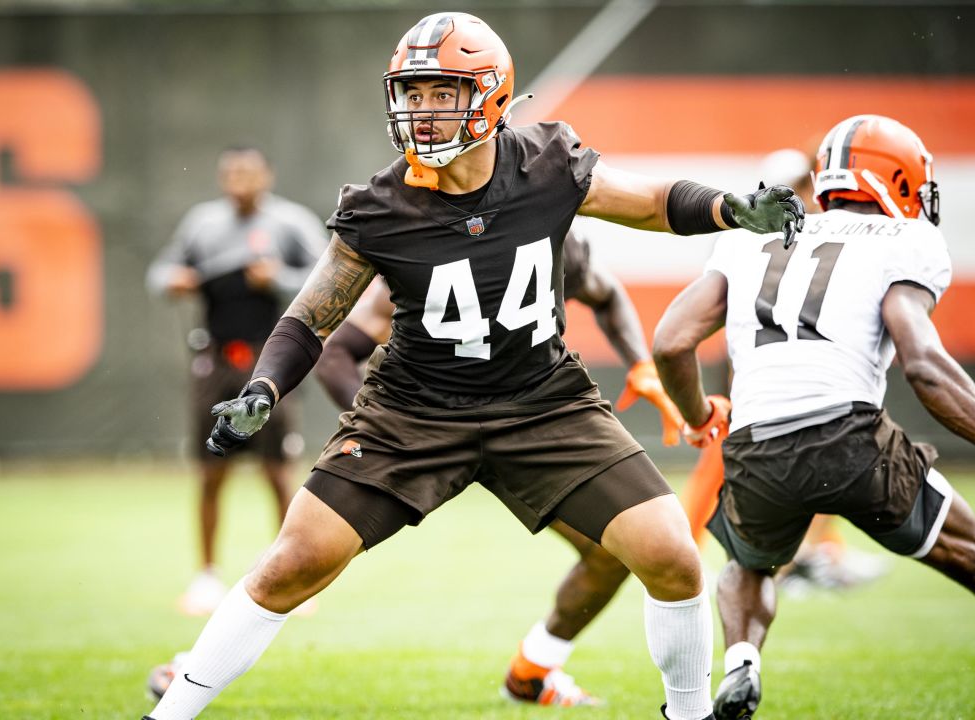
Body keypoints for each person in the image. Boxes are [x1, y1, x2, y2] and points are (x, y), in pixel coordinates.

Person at [144, 13, 802, 720]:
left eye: (441, 93)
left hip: (542, 402)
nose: (422, 112)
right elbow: (313, 316)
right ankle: (170, 714)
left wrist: (728, 209)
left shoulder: (548, 162)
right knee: (292, 564)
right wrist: (266, 388)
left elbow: (648, 202)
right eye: (412, 94)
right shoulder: (379, 203)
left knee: (672, 553)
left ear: (489, 94)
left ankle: (689, 713)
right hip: (413, 411)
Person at [651, 115, 975, 719]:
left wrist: (700, 418)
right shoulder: (906, 240)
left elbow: (670, 340)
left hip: (755, 441)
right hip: (850, 436)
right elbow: (924, 366)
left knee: (746, 564)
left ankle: (743, 657)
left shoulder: (749, 238)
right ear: (897, 179)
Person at [310, 224, 687, 707]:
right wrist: (381, 439)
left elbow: (606, 291)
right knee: (311, 555)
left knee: (614, 549)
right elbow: (338, 350)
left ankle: (533, 670)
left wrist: (641, 364)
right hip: (430, 428)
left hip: (520, 428)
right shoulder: (439, 251)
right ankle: (196, 665)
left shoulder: (557, 239)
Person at [682, 148, 888, 596]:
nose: (806, 197)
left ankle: (820, 553)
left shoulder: (817, 236)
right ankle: (685, 553)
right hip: (754, 371)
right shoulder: (745, 238)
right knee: (717, 466)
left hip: (798, 372)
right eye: (795, 187)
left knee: (825, 458)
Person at [146, 145, 327, 616]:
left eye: (249, 172)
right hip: (215, 358)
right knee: (211, 470)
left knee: (277, 471)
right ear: (221, 177)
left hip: (272, 360)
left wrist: (278, 278)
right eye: (231, 172)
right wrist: (176, 280)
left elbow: (329, 276)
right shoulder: (203, 224)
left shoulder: (289, 223)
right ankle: (206, 576)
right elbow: (159, 274)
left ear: (266, 175)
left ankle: (289, 571)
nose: (240, 180)